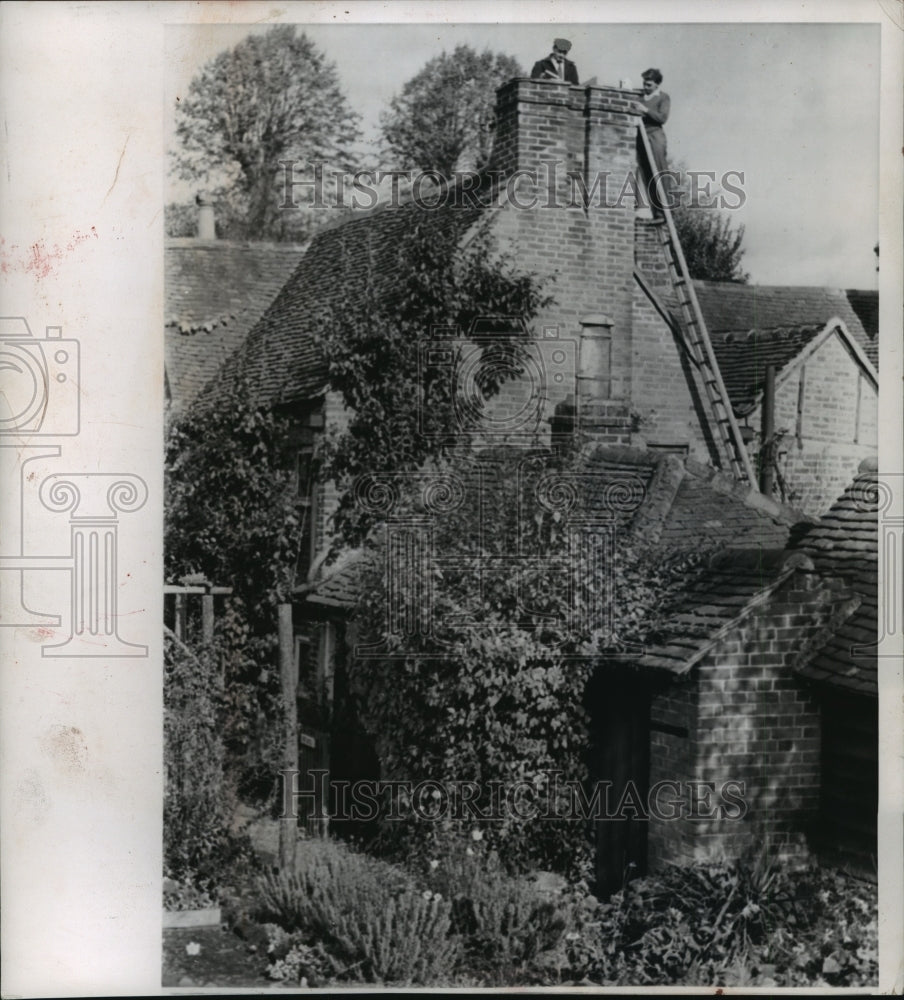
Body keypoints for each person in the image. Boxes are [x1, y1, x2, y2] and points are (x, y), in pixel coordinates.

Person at [635, 68, 672, 211]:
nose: (645, 87)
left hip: (655, 136)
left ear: (657, 84)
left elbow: (662, 118)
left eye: (649, 85)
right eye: (644, 83)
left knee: (658, 169)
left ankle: (664, 207)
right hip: (640, 135)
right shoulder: (640, 97)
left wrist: (645, 110)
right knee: (645, 171)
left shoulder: (663, 97)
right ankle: (652, 210)